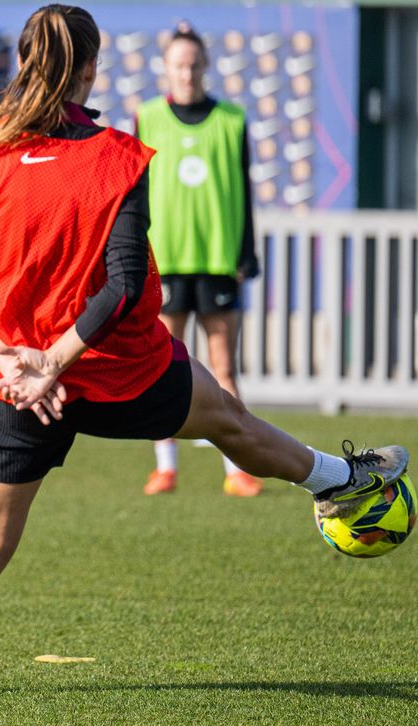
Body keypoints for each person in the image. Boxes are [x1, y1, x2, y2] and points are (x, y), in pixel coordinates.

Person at [0, 6, 407, 726]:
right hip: (115, 369)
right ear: (91, 70)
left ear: (24, 63)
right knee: (226, 417)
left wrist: (11, 362)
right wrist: (54, 362)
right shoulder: (118, 157)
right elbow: (123, 286)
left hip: (11, 383)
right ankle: (339, 481)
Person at [136, 22, 263, 498]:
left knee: (223, 368)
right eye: (178, 65)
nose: (186, 73)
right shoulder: (147, 117)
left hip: (217, 259)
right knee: (164, 367)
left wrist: (247, 252)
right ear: (166, 69)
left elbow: (245, 191)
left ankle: (237, 469)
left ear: (205, 66)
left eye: (193, 65)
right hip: (166, 260)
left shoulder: (231, 119)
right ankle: (165, 466)